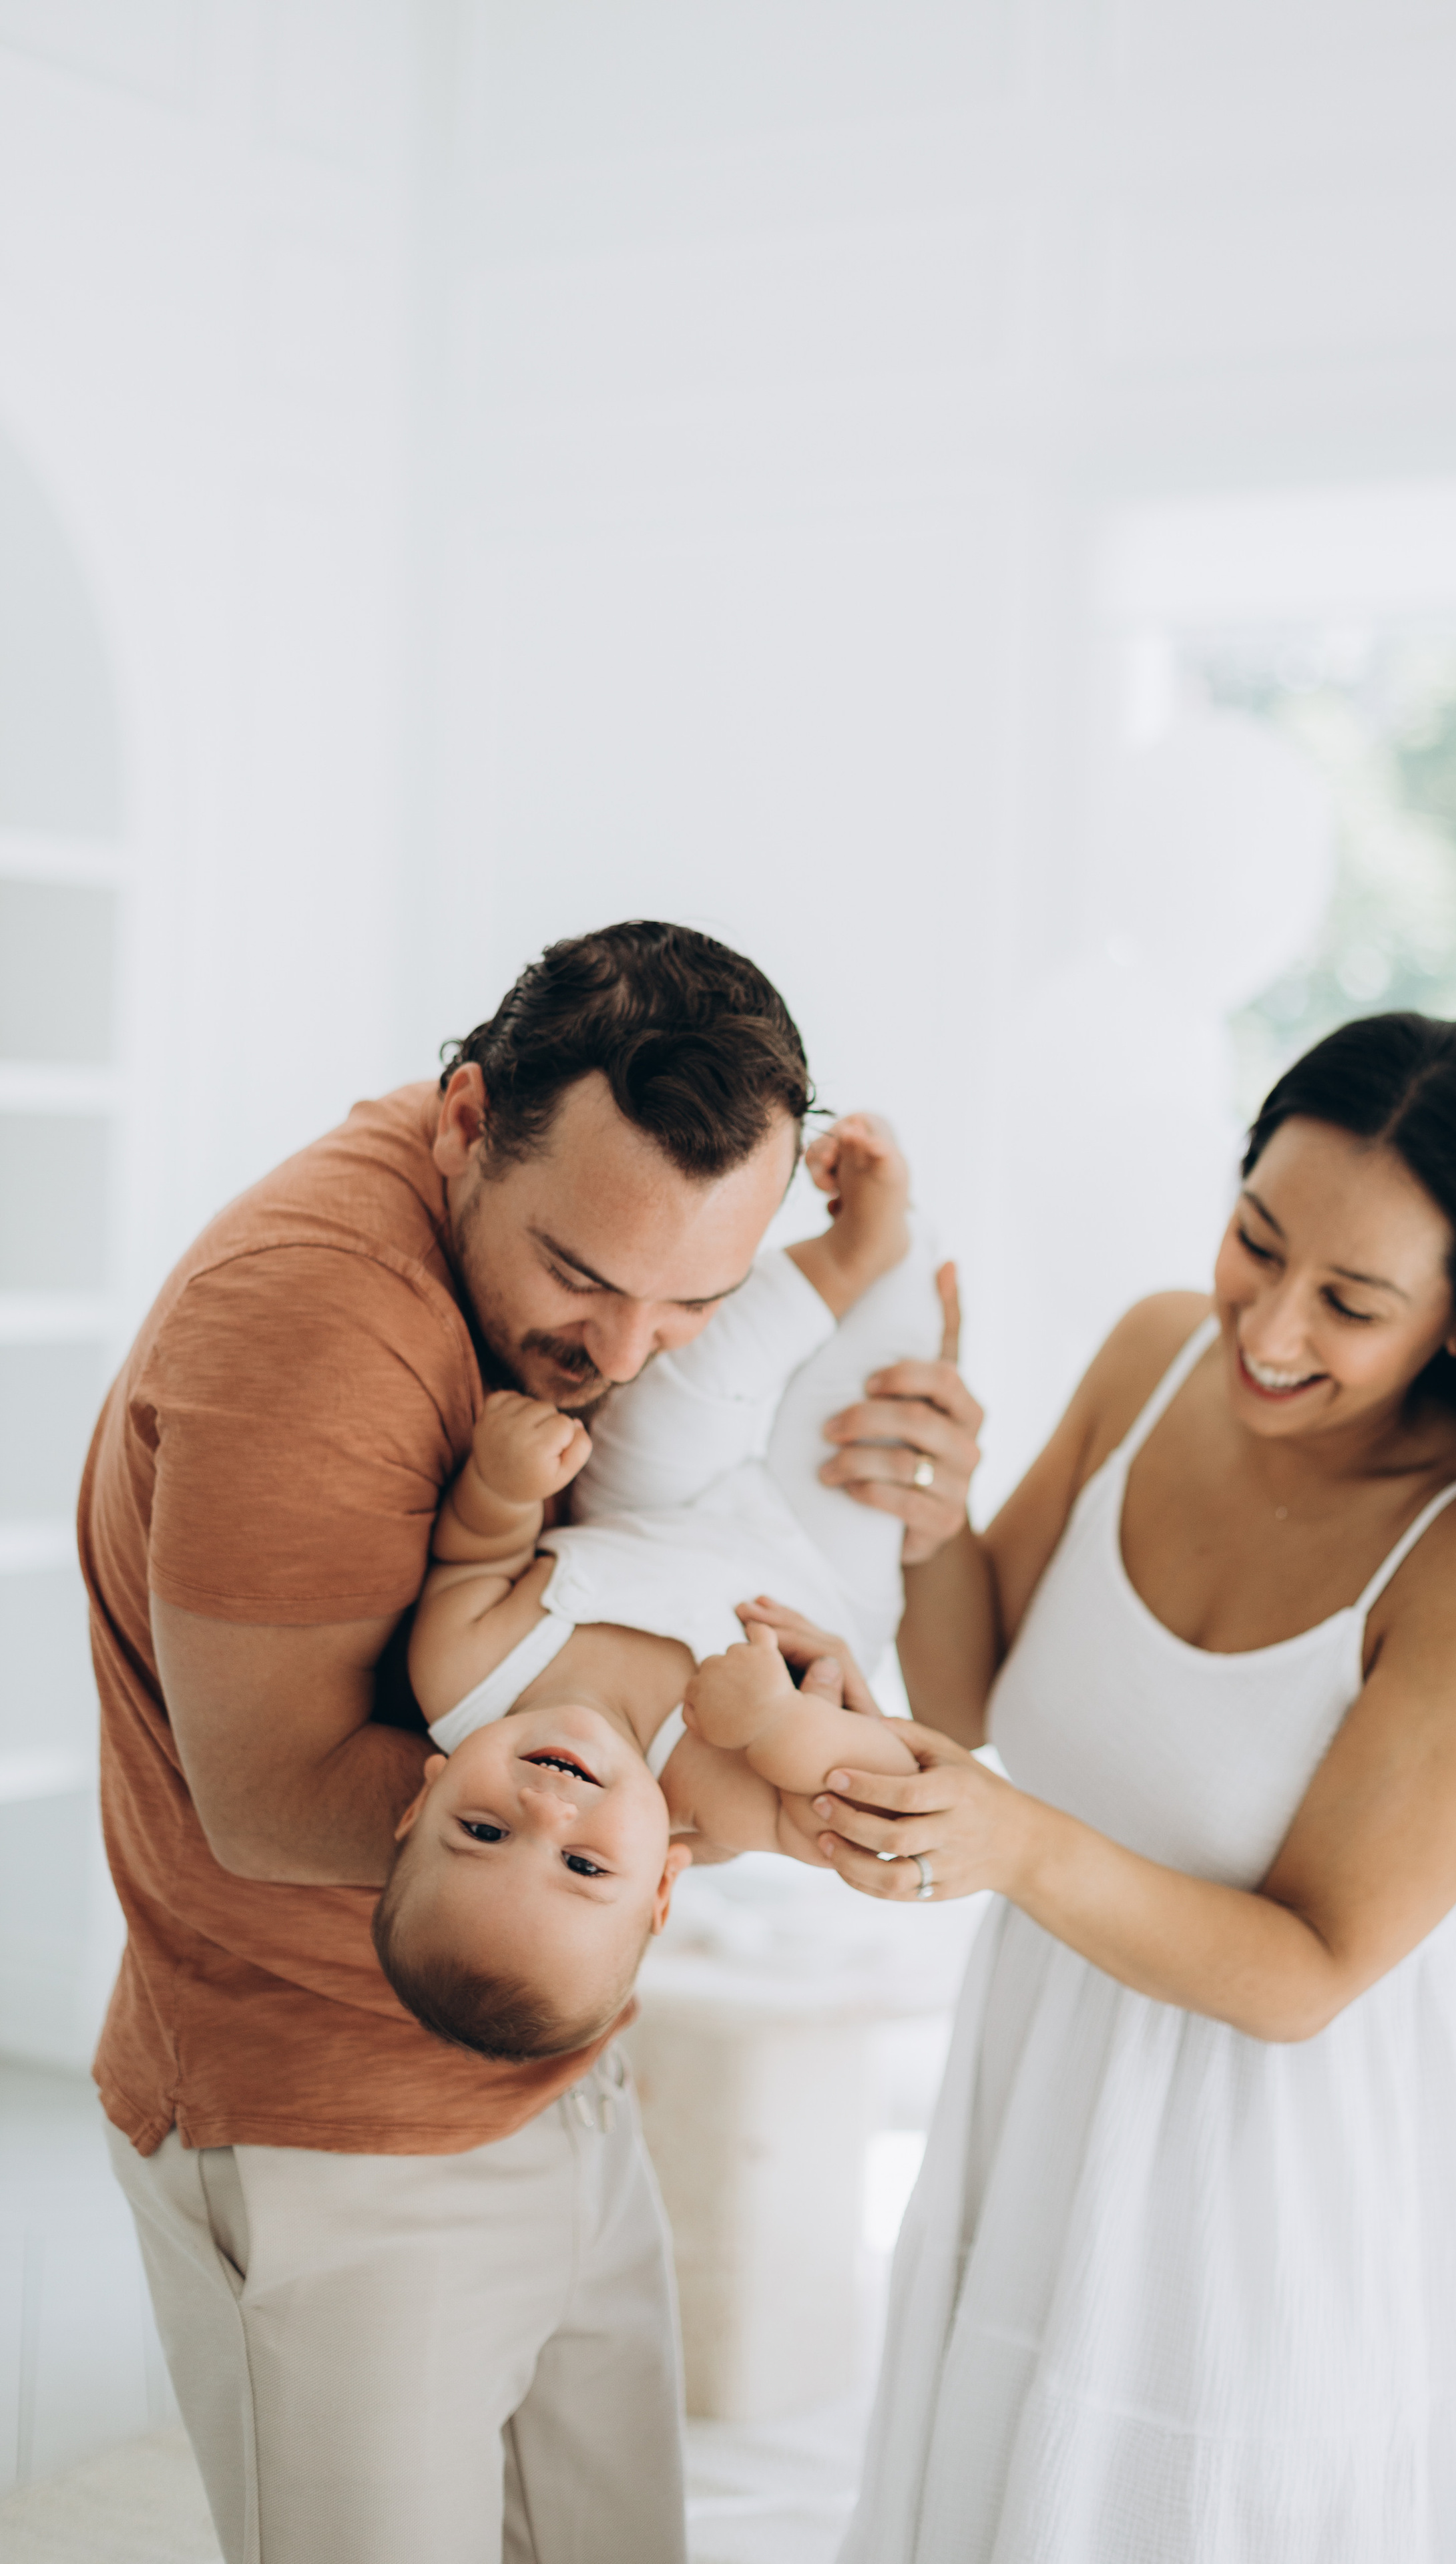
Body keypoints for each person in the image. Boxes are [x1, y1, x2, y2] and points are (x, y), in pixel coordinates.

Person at [79, 921, 980, 2564]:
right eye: (579, 1278)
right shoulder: (317, 1325)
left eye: (692, 1296)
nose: (626, 1351)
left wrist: (893, 1460)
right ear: (464, 1118)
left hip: (557, 2074)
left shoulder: (597, 1280)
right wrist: (681, 1803)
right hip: (329, 2128)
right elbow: (275, 1800)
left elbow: (697, 1480)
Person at [796, 1013, 1456, 2564]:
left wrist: (1011, 1845)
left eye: (1349, 1301)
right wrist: (929, 1517)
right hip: (1045, 2077)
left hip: (1266, 2166)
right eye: (1252, 1242)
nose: (1265, 1325)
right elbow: (967, 1691)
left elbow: (1304, 1972)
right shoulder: (1150, 1355)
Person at [375, 1112, 938, 2056]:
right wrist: (777, 1725)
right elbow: (874, 1800)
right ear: (664, 1884)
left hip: (655, 1508)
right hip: (817, 1572)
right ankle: (902, 1257)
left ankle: (849, 1251)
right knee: (878, 1394)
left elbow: (475, 1557)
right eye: (585, 1864)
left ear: (418, 1803)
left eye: (480, 1831)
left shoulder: (466, 1674)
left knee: (677, 1392)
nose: (546, 1814)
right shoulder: (711, 1797)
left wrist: (503, 1488)